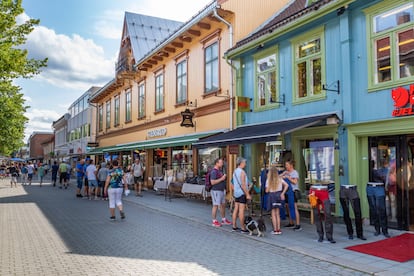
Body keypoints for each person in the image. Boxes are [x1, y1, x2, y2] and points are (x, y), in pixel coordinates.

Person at [266, 166, 288, 235]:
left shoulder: (268, 180)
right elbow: (286, 185)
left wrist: (269, 186)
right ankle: (279, 229)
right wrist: (283, 193)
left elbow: (267, 191)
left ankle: (275, 230)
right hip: (279, 195)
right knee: (278, 214)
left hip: (272, 196)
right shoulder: (279, 179)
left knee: (273, 214)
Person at [231, 157, 252, 233]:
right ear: (241, 163)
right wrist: (247, 194)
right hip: (242, 193)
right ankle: (243, 227)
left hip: (236, 193)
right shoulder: (242, 172)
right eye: (244, 163)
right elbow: (243, 185)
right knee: (241, 211)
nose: (245, 164)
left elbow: (233, 182)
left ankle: (234, 225)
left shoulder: (235, 171)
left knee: (236, 209)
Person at [210, 158, 232, 227]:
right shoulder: (214, 171)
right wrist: (222, 179)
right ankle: (214, 221)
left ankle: (223, 219)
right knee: (215, 205)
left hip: (221, 190)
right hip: (216, 190)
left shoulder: (220, 171)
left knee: (223, 205)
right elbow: (212, 182)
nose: (222, 164)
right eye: (221, 162)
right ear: (217, 163)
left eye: (222, 162)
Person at [281, 160, 302, 231]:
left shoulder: (294, 172)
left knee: (294, 207)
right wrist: (283, 174)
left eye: (287, 165)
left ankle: (298, 224)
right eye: (285, 165)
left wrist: (288, 178)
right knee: (288, 207)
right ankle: (291, 222)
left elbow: (295, 182)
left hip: (293, 192)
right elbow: (278, 178)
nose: (286, 166)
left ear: (291, 165)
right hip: (287, 191)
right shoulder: (286, 172)